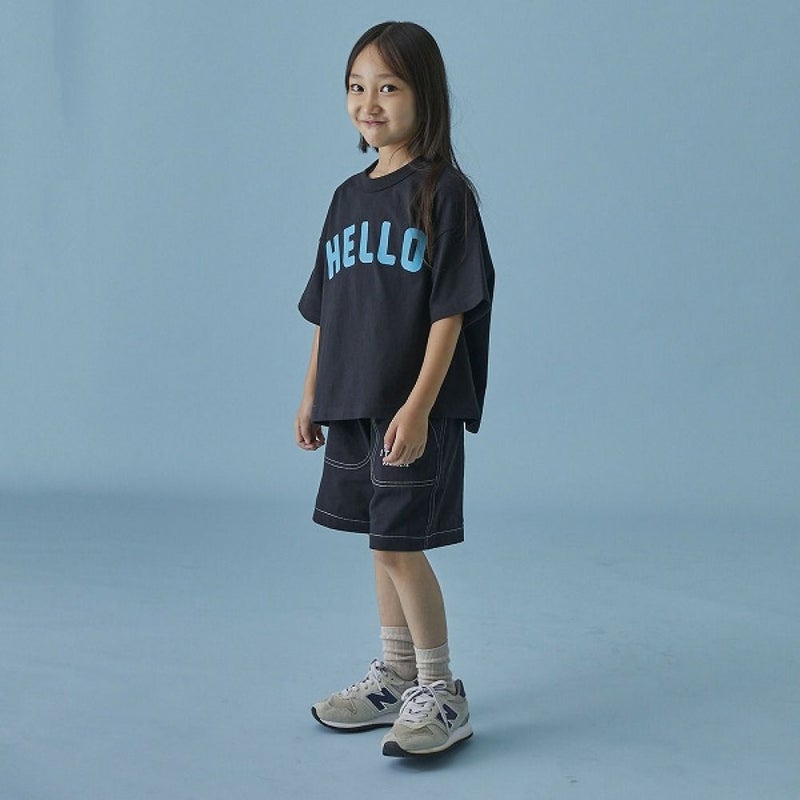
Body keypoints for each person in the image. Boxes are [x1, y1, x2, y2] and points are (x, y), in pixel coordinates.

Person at [295, 20, 494, 758]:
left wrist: (418, 406)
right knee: (380, 545)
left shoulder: (445, 194)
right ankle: (396, 676)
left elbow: (451, 311)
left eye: (388, 87)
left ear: (424, 96)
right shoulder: (346, 198)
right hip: (352, 403)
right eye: (356, 86)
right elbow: (327, 309)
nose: (368, 102)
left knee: (403, 545)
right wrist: (312, 394)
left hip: (414, 410)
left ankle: (441, 690)